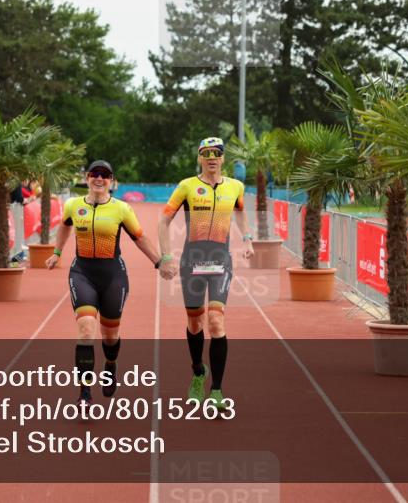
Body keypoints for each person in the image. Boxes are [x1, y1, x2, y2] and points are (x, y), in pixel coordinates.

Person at [46, 160, 161, 406]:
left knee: (110, 335)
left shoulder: (121, 209)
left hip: (112, 276)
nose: (100, 179)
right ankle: (84, 392)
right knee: (86, 328)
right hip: (82, 272)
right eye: (94, 174)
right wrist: (57, 252)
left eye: (105, 175)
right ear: (87, 178)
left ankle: (110, 365)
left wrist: (159, 262)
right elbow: (64, 228)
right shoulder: (73, 205)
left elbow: (140, 238)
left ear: (112, 181)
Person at [158, 136, 254, 411]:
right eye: (206, 153)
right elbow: (164, 221)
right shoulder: (187, 186)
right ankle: (198, 371)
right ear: (200, 157)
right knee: (195, 324)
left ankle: (217, 390)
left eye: (217, 152)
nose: (212, 157)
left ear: (223, 158)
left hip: (220, 260)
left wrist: (246, 238)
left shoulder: (235, 186)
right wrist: (166, 256)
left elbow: (241, 213)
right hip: (192, 261)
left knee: (215, 321)